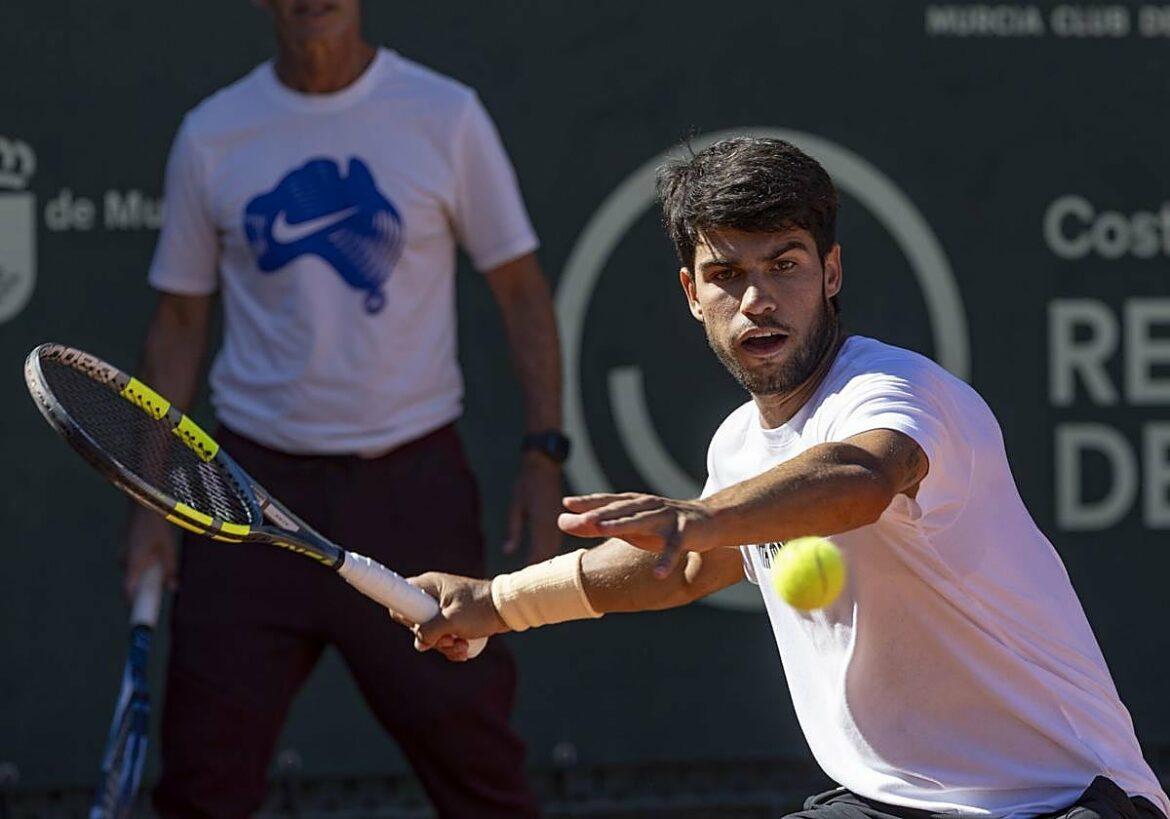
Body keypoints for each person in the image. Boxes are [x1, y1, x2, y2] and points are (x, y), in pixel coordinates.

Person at [408, 137, 1170, 819]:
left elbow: (861, 474)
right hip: (885, 801)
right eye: (726, 274)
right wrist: (498, 602)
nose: (758, 300)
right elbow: (688, 569)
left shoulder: (899, 391)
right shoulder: (738, 445)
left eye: (786, 265)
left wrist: (700, 517)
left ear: (830, 271)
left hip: (1068, 798)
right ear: (691, 293)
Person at [123, 1, 563, 816]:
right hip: (245, 497)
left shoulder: (446, 114)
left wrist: (545, 451)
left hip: (411, 495)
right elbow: (180, 321)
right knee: (202, 786)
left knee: (480, 776)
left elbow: (523, 293)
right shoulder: (213, 132)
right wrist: (154, 496)